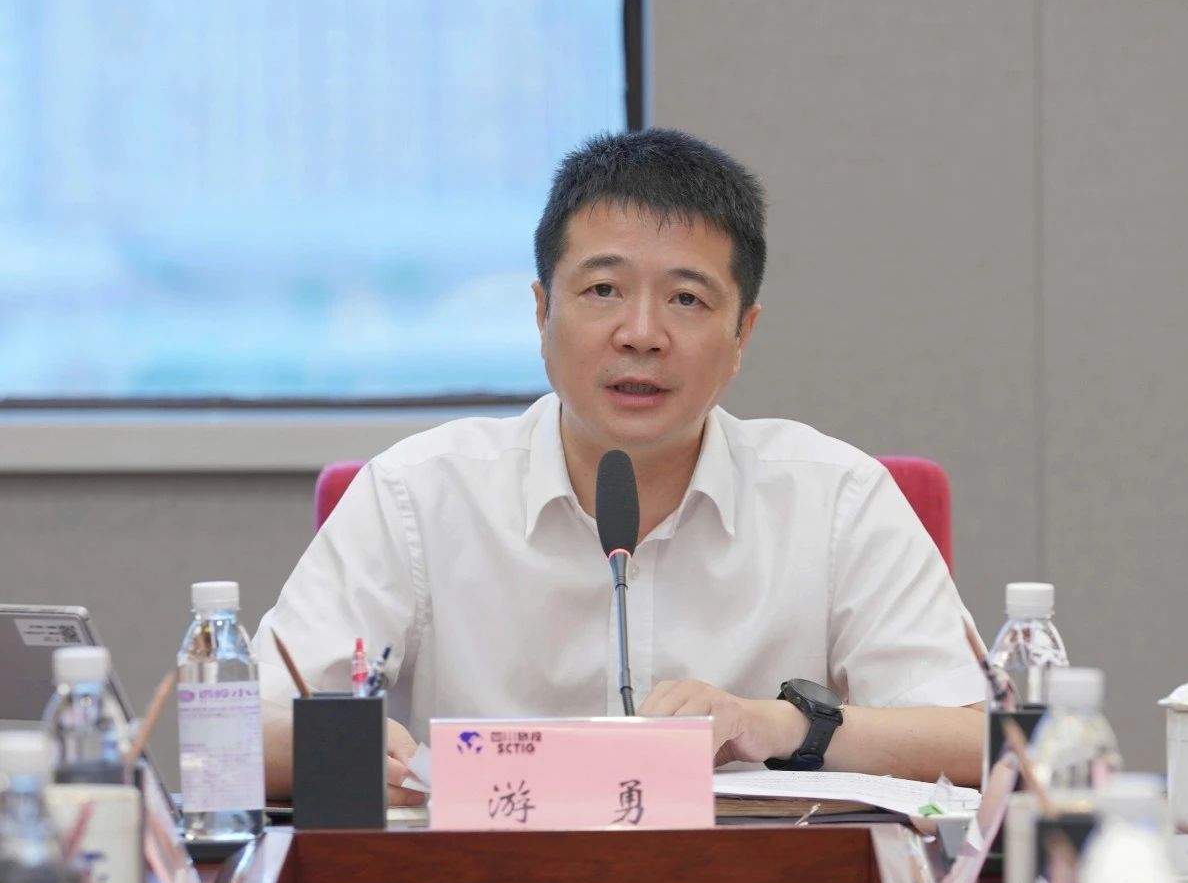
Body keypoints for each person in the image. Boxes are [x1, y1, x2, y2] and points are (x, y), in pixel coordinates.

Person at [253, 129, 984, 804]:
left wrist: (783, 725)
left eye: (687, 299)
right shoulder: (416, 495)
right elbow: (236, 732)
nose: (641, 334)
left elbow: (986, 740)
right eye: (603, 290)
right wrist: (345, 753)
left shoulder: (837, 499)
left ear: (742, 335)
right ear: (541, 312)